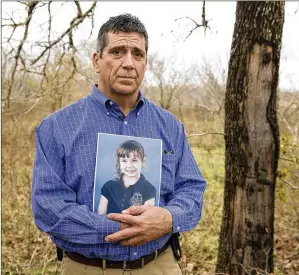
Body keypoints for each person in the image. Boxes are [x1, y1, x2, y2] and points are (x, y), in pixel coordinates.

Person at [32, 13, 206, 275]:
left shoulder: (170, 127)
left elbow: (192, 188)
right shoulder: (57, 128)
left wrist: (169, 219)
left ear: (145, 63)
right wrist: (125, 228)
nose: (128, 63)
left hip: (159, 265)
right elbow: (49, 208)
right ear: (97, 61)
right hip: (87, 267)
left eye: (137, 53)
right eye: (117, 51)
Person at [97, 139, 156, 216]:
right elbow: (100, 216)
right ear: (119, 162)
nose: (129, 165)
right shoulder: (108, 186)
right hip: (109, 227)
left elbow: (146, 219)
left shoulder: (150, 189)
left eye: (134, 160)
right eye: (124, 161)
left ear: (143, 161)